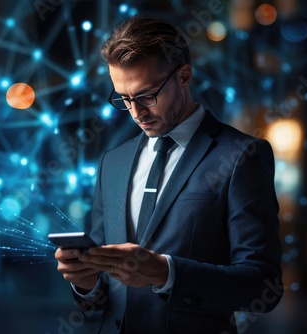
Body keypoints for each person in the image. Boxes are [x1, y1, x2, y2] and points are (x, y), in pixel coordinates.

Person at [53, 15, 283, 333]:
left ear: (184, 76)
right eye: (123, 98)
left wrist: (166, 272)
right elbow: (100, 303)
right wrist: (86, 282)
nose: (136, 112)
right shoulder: (112, 163)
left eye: (147, 96)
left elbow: (263, 284)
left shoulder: (241, 156)